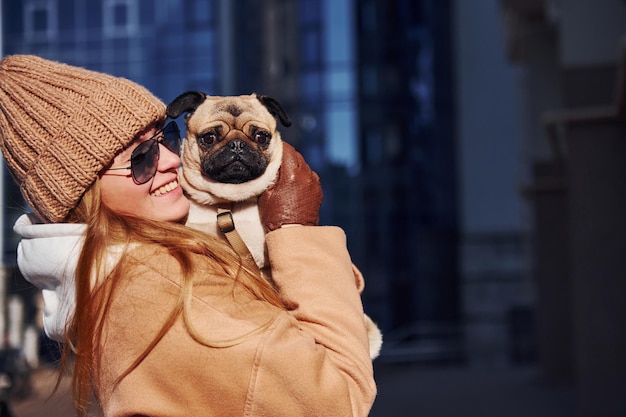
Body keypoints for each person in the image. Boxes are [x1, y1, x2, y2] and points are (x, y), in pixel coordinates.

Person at [0, 55, 376, 417]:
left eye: (167, 138)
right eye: (141, 158)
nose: (170, 160)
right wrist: (297, 229)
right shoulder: (169, 290)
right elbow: (340, 401)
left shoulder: (122, 272)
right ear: (85, 195)